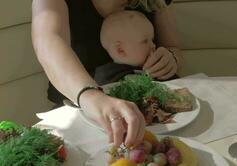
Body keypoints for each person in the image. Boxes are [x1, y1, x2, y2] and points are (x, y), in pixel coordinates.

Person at [31, 0, 183, 148]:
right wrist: (91, 97)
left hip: (162, 121)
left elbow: (173, 47)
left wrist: (171, 58)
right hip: (80, 117)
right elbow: (47, 42)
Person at [95, 10, 179, 85]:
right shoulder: (107, 75)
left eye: (152, 40)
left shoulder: (157, 68)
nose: (153, 45)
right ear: (120, 50)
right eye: (145, 41)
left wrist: (166, 70)